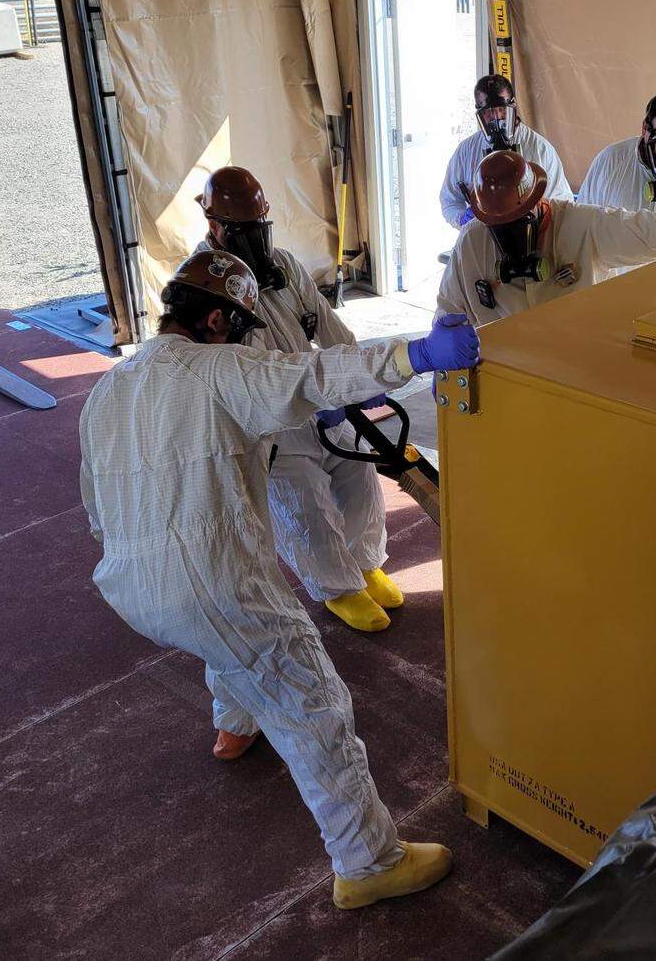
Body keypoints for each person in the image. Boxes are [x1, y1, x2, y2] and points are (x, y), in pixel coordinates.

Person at [79, 249, 480, 909]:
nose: (245, 341)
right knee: (312, 699)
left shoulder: (109, 390)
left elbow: (96, 505)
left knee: (225, 636)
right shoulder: (220, 370)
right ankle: (369, 862)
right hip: (209, 588)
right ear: (216, 320)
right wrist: (419, 355)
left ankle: (235, 726)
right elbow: (316, 373)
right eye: (241, 328)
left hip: (129, 584)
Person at [196, 166, 399, 634]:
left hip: (317, 396)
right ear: (215, 227)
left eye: (260, 228)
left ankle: (365, 563)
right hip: (265, 420)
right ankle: (338, 587)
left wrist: (362, 376)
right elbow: (239, 374)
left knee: (358, 468)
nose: (256, 240)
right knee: (303, 497)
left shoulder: (284, 266)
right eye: (243, 231)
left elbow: (328, 327)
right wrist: (312, 393)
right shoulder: (204, 283)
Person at [437, 149, 656, 327]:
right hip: (501, 375)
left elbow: (642, 229)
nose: (505, 233)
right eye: (497, 224)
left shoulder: (582, 225)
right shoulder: (472, 243)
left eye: (516, 220)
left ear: (539, 202)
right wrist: (444, 365)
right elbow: (450, 308)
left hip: (573, 367)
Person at [439, 74, 571, 228]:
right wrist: (462, 220)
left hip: (533, 236)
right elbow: (449, 200)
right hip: (482, 238)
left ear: (513, 108)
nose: (496, 118)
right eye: (488, 112)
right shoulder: (466, 152)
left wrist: (542, 213)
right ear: (480, 115)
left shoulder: (540, 149)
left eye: (501, 110)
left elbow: (562, 201)